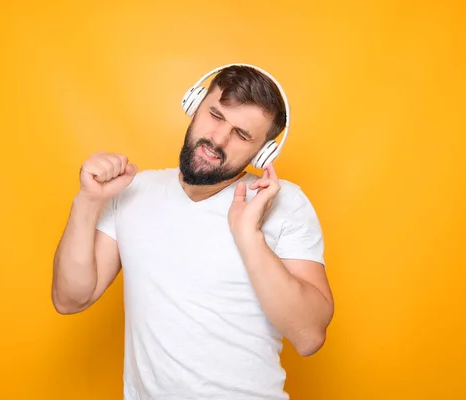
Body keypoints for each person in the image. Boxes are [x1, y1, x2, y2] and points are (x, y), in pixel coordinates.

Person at [51, 64, 334, 400]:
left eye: (242, 135)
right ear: (194, 104)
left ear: (264, 153)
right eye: (215, 115)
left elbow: (309, 336)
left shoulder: (282, 202)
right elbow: (70, 299)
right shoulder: (133, 192)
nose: (217, 139)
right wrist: (87, 202)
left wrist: (248, 236)